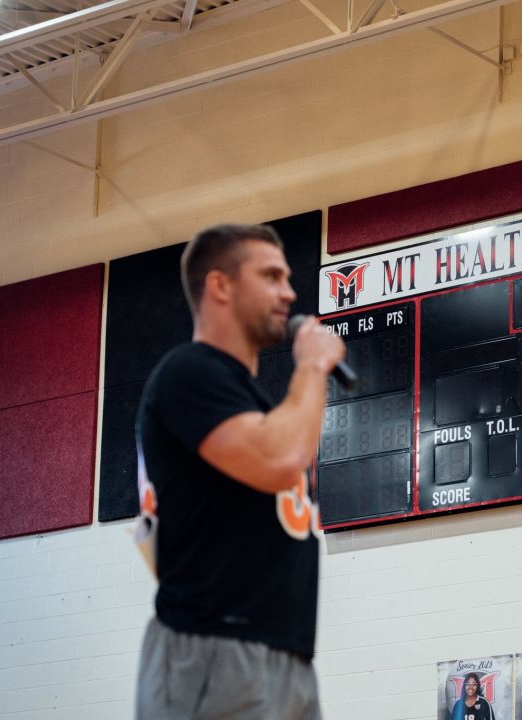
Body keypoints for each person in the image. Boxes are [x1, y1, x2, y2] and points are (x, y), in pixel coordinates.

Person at [132, 223, 347, 719]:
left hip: (286, 654)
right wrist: (312, 367)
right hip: (213, 647)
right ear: (220, 285)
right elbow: (281, 458)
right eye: (271, 276)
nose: (289, 292)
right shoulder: (188, 372)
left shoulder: (252, 402)